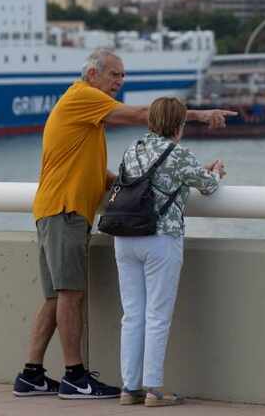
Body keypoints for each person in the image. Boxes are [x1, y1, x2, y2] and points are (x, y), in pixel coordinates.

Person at [13, 48, 233, 400]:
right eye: (114, 74)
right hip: (65, 210)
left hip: (53, 208)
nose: (120, 81)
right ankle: (74, 376)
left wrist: (134, 185)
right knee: (70, 293)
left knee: (56, 296)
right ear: (92, 74)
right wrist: (200, 114)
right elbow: (147, 114)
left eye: (122, 75)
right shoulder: (83, 97)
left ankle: (31, 374)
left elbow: (102, 174)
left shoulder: (87, 116)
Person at [114, 97, 223, 407]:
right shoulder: (178, 154)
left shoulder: (132, 149)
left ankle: (129, 387)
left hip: (125, 236)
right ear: (179, 124)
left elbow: (148, 179)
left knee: (132, 314)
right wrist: (215, 171)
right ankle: (153, 389)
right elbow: (208, 186)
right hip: (161, 239)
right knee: (157, 315)